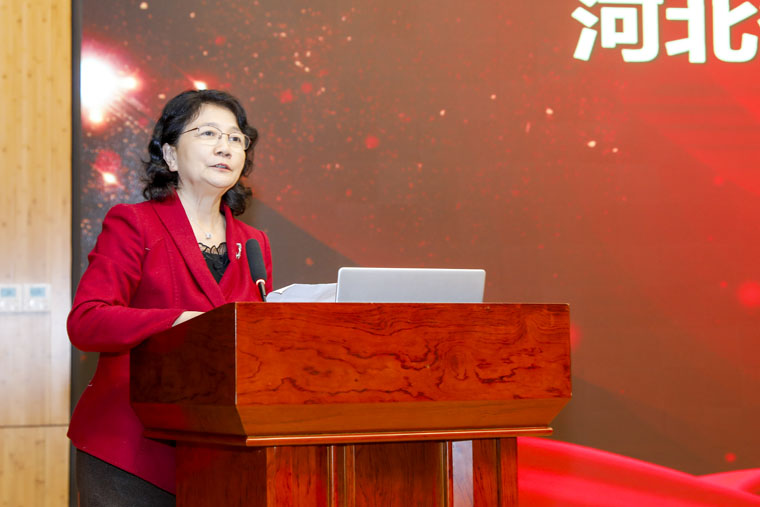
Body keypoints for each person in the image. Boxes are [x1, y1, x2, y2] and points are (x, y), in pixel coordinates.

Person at [67, 89, 273, 506]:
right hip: (131, 450)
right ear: (171, 155)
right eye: (209, 133)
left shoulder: (254, 242)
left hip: (219, 453)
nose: (225, 147)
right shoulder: (134, 224)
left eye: (236, 138)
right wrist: (179, 322)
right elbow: (87, 320)